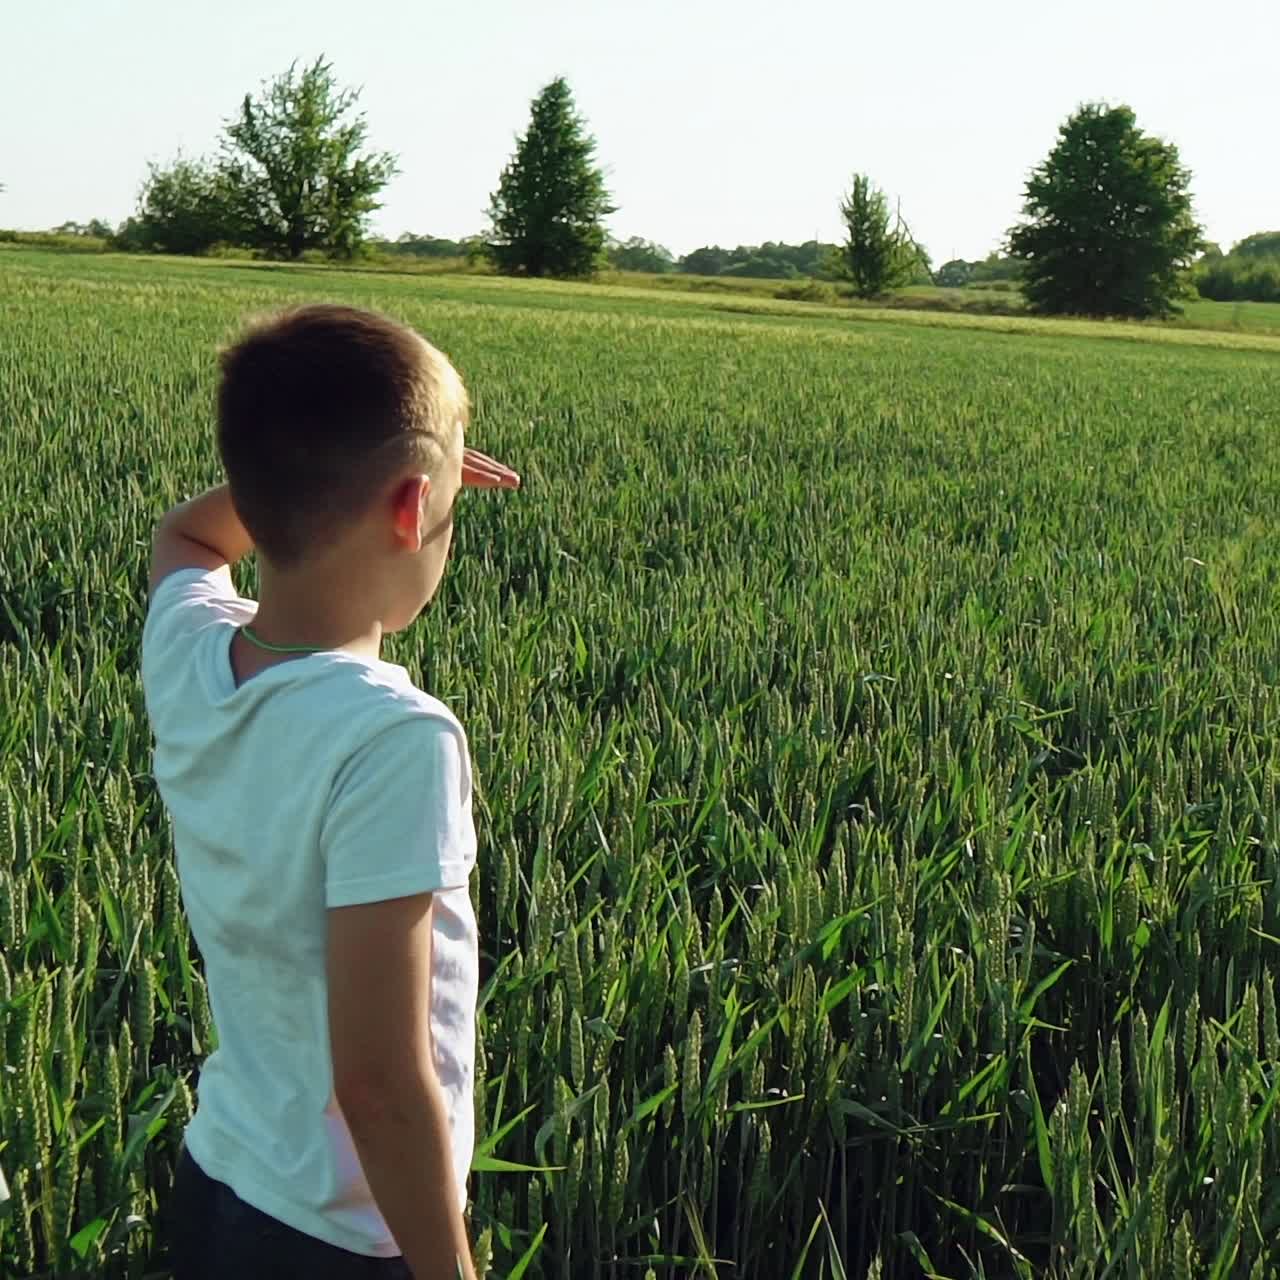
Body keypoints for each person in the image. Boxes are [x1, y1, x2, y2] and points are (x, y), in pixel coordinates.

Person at [142, 304, 520, 1279]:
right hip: (342, 1237)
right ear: (409, 510)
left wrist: (319, 476)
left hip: (219, 1179)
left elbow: (183, 535)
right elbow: (381, 1081)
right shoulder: (392, 738)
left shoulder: (188, 651)